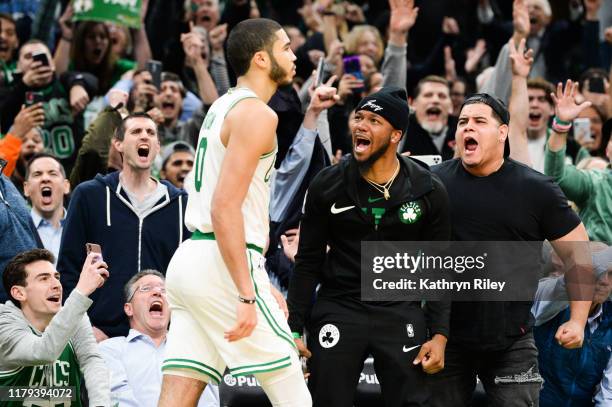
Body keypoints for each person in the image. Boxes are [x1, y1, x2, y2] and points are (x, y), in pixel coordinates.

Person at [159, 18, 311, 406]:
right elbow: (224, 206)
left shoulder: (221, 106)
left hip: (191, 260)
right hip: (223, 261)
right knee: (293, 387)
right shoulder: (259, 114)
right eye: (286, 47)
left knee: (179, 393)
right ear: (261, 59)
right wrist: (247, 293)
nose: (294, 55)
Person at [287, 86, 451, 406]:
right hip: (340, 305)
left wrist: (439, 335)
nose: (361, 125)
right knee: (327, 399)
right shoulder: (327, 184)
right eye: (358, 117)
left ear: (395, 135)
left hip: (399, 308)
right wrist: (293, 328)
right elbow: (307, 261)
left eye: (374, 120)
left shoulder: (428, 189)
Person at [429, 90, 593, 406]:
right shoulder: (434, 183)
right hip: (443, 337)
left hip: (511, 339)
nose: (467, 129)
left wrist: (577, 320)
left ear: (502, 132)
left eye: (479, 121)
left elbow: (578, 253)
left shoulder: (536, 189)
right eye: (462, 122)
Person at [58, 113, 190, 341]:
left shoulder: (181, 204)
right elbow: (69, 270)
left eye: (150, 133)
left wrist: (177, 330)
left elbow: (189, 278)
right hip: (101, 335)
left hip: (164, 338)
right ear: (118, 143)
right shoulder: (89, 195)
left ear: (158, 146)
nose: (144, 137)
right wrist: (84, 328)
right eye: (136, 132)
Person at [0, 248, 110, 406]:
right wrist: (82, 290)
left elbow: (92, 361)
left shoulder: (74, 316)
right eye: (44, 279)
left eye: (56, 277)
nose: (57, 285)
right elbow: (42, 352)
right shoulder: (4, 325)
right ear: (19, 293)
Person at [99, 270, 219, 406]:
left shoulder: (194, 350)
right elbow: (117, 399)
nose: (157, 292)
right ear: (129, 309)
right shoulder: (110, 349)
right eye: (146, 288)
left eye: (164, 290)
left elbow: (208, 402)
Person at [532, 243, 611, 406]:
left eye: (611, 274)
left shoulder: (609, 321)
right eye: (597, 271)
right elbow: (561, 285)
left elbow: (608, 394)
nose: (604, 281)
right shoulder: (551, 300)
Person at [545, 80, 612, 244]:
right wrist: (561, 124)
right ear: (608, 150)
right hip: (596, 266)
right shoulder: (595, 183)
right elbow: (556, 177)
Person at [24, 153, 70, 262]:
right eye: (37, 174)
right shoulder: (18, 231)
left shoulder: (83, 227)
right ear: (26, 188)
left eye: (53, 173)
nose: (45, 178)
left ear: (66, 186)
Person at [399, 75, 457, 160]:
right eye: (428, 95)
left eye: (442, 96)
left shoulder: (463, 130)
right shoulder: (401, 131)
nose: (435, 100)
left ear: (451, 106)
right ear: (412, 103)